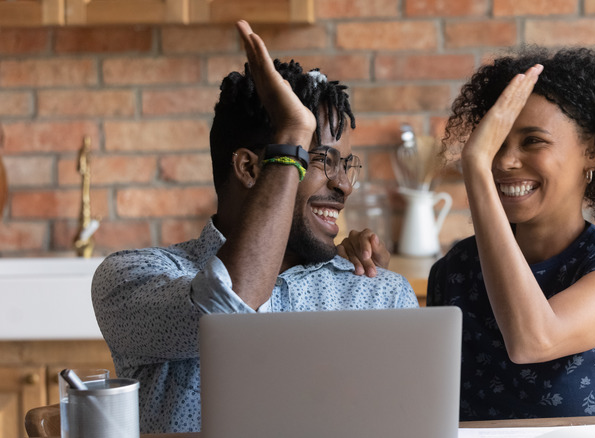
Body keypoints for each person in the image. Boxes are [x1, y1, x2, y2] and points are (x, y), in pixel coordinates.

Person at [92, 21, 417, 434]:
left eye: (345, 163)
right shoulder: (133, 278)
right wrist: (291, 135)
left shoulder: (379, 292)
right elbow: (230, 307)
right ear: (250, 168)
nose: (345, 184)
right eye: (320, 160)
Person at [340, 45, 595, 420]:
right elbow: (414, 400)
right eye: (495, 143)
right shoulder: (457, 270)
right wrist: (371, 282)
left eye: (533, 141)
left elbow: (534, 340)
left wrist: (476, 166)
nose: (504, 162)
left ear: (594, 150)